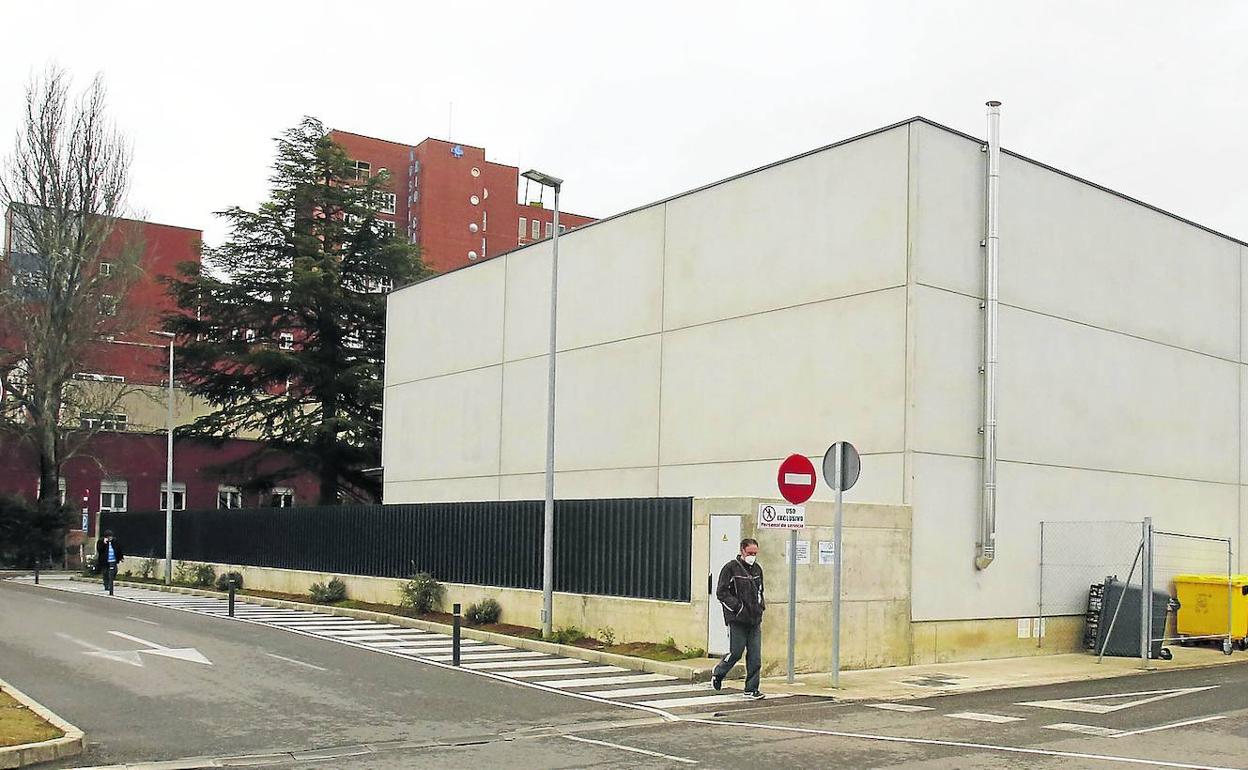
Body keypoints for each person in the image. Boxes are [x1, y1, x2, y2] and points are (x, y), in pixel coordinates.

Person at [711, 537, 766, 699]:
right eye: (750, 552)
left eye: (755, 553)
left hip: (754, 619)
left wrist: (760, 607)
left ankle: (751, 689)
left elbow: (760, 591)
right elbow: (721, 593)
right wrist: (738, 608)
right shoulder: (730, 568)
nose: (752, 556)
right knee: (736, 652)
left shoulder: (757, 569)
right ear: (742, 551)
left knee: (755, 657)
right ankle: (719, 672)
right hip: (737, 619)